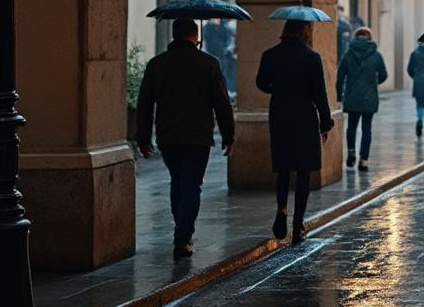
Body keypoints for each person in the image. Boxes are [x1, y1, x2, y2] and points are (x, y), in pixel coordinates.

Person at [136, 18, 235, 258]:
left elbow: (145, 104)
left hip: (168, 135)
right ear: (195, 37)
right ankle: (183, 234)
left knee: (178, 182)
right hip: (198, 136)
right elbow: (222, 104)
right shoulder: (209, 64)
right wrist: (228, 135)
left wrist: (143, 138)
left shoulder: (157, 64)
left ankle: (181, 227)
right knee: (192, 185)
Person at [257, 19, 334, 244]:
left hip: (280, 114)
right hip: (304, 117)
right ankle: (297, 224)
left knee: (283, 168)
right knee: (303, 172)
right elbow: (319, 93)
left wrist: (279, 88)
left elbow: (261, 83)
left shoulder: (270, 54)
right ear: (306, 32)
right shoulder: (312, 58)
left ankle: (281, 209)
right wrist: (325, 122)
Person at [337, 26, 388, 169]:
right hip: (369, 98)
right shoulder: (376, 55)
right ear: (369, 38)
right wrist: (373, 83)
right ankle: (364, 160)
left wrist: (339, 96)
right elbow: (384, 75)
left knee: (351, 127)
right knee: (367, 129)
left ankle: (351, 152)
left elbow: (340, 77)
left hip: (352, 96)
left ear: (355, 37)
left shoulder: (348, 53)